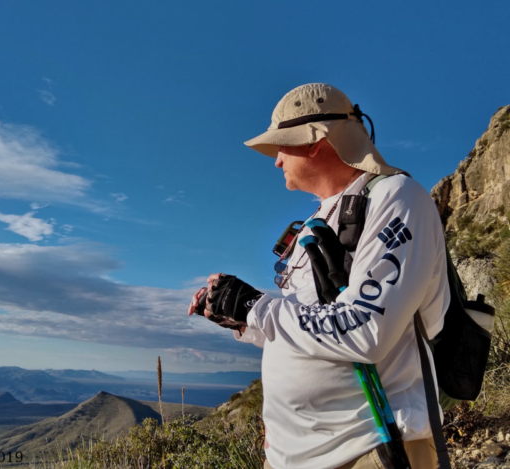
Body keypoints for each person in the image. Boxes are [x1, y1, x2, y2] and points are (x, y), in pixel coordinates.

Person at [188, 83, 449, 469]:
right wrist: (240, 318)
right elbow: (315, 329)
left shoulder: (397, 198)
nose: (276, 161)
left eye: (281, 146)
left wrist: (255, 306)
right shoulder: (317, 220)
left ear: (315, 141)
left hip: (371, 449)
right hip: (294, 456)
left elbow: (365, 331)